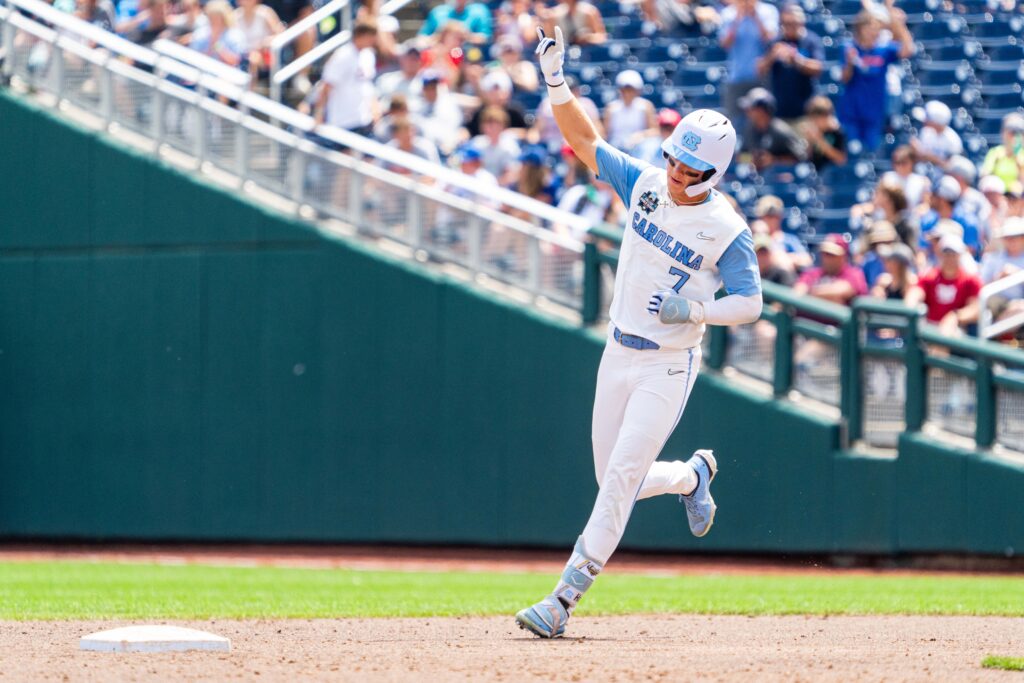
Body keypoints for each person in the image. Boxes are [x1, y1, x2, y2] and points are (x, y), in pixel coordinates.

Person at [516, 27, 762, 640]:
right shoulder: (649, 183)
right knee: (613, 480)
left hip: (666, 365)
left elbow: (752, 302)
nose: (678, 170)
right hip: (617, 351)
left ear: (715, 171)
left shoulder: (725, 225)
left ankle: (564, 597)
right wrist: (556, 80)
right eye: (676, 157)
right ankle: (689, 476)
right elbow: (584, 140)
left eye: (691, 166)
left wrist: (699, 311)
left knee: (622, 478)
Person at [838, 8, 913, 152]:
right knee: (850, 152)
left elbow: (907, 50)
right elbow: (844, 79)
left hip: (874, 111)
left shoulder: (884, 50)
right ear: (861, 28)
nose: (875, 33)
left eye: (877, 29)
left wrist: (899, 25)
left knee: (871, 153)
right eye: (871, 28)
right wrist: (849, 63)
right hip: (851, 111)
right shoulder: (849, 48)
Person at [757, 4, 823, 122]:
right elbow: (759, 70)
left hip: (805, 111)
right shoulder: (776, 42)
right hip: (779, 111)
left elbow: (818, 68)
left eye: (794, 23)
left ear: (802, 22)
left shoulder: (811, 41)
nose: (791, 27)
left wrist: (796, 59)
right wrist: (772, 56)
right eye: (787, 24)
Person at [718, 0, 779, 127]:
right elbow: (725, 44)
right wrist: (737, 19)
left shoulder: (768, 11)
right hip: (736, 76)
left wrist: (755, 16)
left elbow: (770, 38)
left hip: (761, 76)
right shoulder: (728, 13)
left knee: (764, 120)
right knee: (732, 122)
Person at [906, 234, 981, 337]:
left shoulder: (970, 280)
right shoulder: (930, 276)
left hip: (956, 330)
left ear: (960, 255)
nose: (949, 258)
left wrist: (955, 316)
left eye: (953, 254)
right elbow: (915, 293)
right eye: (946, 253)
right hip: (929, 327)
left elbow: (976, 309)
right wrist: (911, 306)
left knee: (947, 334)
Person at [314, 21, 378, 137]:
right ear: (361, 35)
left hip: (364, 117)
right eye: (371, 36)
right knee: (345, 155)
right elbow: (327, 86)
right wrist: (319, 115)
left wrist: (374, 109)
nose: (373, 40)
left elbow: (367, 86)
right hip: (342, 120)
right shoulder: (343, 55)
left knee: (368, 154)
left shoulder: (369, 55)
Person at [737, 87, 808, 169]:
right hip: (756, 179)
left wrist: (775, 160)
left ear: (762, 110)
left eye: (750, 108)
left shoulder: (781, 131)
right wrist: (753, 159)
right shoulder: (749, 130)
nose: (747, 112)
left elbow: (802, 158)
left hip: (782, 179)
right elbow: (740, 157)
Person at [792, 234, 868, 306]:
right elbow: (797, 292)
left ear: (843, 256)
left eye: (831, 255)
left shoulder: (854, 273)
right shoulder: (813, 273)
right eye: (824, 253)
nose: (826, 258)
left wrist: (809, 292)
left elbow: (842, 291)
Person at [412, 69, 464, 155]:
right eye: (427, 88)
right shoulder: (416, 107)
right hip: (424, 150)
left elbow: (457, 128)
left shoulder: (449, 104)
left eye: (433, 87)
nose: (431, 91)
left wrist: (450, 142)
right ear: (422, 89)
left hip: (447, 149)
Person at [233, 0, 284, 86]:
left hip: (263, 54)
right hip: (241, 54)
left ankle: (249, 93)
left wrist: (263, 43)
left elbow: (279, 33)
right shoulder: (235, 15)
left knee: (253, 59)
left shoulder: (266, 13)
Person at [603, 70, 657, 151]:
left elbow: (655, 130)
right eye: (624, 89)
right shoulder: (611, 108)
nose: (627, 93)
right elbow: (605, 134)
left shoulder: (646, 106)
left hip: (640, 149)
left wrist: (641, 135)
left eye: (630, 89)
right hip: (615, 148)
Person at [470, 105, 521, 185]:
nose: (493, 127)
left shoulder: (509, 146)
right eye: (489, 123)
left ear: (503, 126)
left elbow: (511, 174)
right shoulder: (477, 143)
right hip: (477, 186)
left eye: (497, 123)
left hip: (500, 191)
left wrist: (493, 186)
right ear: (482, 126)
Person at [189, 0, 244, 68]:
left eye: (218, 18)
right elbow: (193, 59)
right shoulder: (200, 34)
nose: (214, 21)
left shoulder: (235, 35)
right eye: (212, 17)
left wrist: (220, 49)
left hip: (227, 75)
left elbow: (235, 61)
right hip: (203, 72)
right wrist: (210, 47)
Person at [800, 95, 847, 171]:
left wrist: (819, 140)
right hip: (815, 176)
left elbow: (841, 159)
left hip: (834, 175)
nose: (815, 121)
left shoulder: (837, 132)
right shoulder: (812, 131)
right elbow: (808, 159)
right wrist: (809, 142)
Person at [910, 100, 962, 167]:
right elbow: (920, 156)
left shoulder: (952, 140)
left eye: (928, 119)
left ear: (936, 122)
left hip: (943, 176)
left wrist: (932, 158)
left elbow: (951, 167)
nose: (925, 121)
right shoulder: (925, 132)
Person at [980, 113, 1024, 190]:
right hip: (997, 194)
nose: (1013, 136)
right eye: (1011, 132)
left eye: (1018, 132)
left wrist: (1017, 160)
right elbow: (984, 176)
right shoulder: (995, 152)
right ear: (1003, 133)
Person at [880, 145, 931, 211]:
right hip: (887, 218)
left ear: (912, 162)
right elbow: (877, 203)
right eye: (897, 162)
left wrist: (918, 211)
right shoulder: (887, 178)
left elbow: (926, 205)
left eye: (903, 162)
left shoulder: (923, 181)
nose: (900, 166)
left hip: (911, 218)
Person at [535, 0, 607, 46]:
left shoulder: (590, 12)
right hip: (564, 56)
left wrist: (587, 38)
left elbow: (602, 37)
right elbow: (548, 41)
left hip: (587, 53)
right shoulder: (553, 16)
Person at [419, 0, 493, 44]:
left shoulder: (479, 11)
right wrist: (440, 35)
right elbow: (421, 38)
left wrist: (466, 35)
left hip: (469, 58)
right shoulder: (437, 12)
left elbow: (486, 38)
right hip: (440, 58)